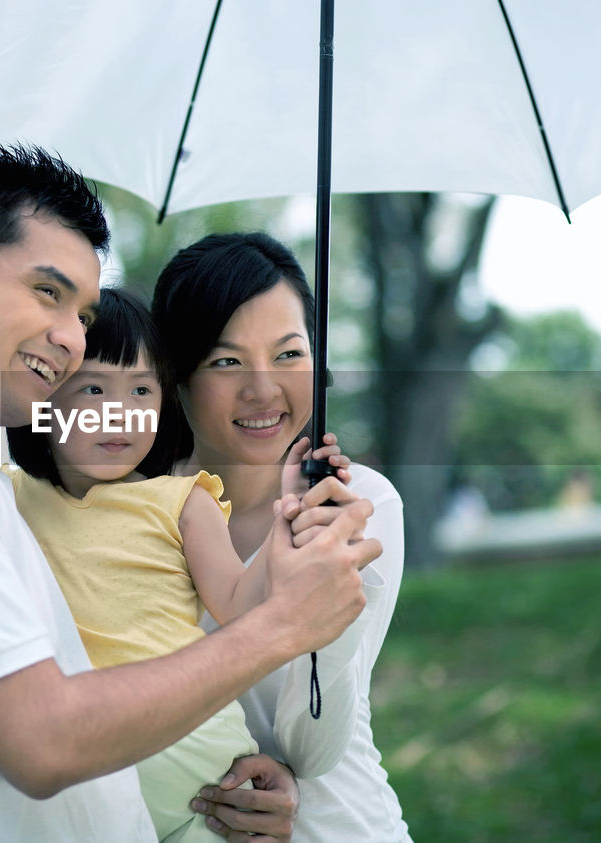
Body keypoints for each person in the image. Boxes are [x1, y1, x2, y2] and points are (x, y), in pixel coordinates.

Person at [0, 146, 380, 841]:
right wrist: (279, 626)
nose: (69, 337)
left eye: (83, 312)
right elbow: (43, 738)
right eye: (47, 292)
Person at [9, 287, 298, 841]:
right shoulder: (10, 495)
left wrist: (288, 521)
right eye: (93, 388)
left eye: (142, 390)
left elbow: (241, 608)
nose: (122, 413)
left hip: (203, 774)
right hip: (88, 771)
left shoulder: (185, 499)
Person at [151, 232, 413, 841]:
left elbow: (314, 748)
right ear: (176, 375)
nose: (263, 389)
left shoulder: (363, 503)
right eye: (226, 361)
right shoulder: (138, 510)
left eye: (290, 354)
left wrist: (331, 570)